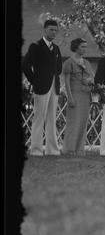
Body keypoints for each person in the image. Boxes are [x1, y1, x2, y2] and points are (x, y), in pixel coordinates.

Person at [23, 19, 63, 156]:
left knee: (52, 119)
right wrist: (35, 82)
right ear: (45, 30)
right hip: (41, 88)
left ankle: (52, 150)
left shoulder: (56, 48)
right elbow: (26, 66)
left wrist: (54, 79)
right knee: (39, 118)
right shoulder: (36, 46)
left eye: (55, 30)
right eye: (51, 29)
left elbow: (59, 69)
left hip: (54, 88)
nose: (54, 32)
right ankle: (36, 150)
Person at [61, 38, 95, 156]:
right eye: (82, 47)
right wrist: (69, 97)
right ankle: (70, 149)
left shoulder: (87, 63)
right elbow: (66, 82)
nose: (85, 49)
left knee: (83, 122)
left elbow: (92, 78)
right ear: (76, 47)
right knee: (73, 122)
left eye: (85, 47)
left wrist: (89, 81)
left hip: (86, 95)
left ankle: (80, 149)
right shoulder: (68, 63)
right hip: (74, 94)